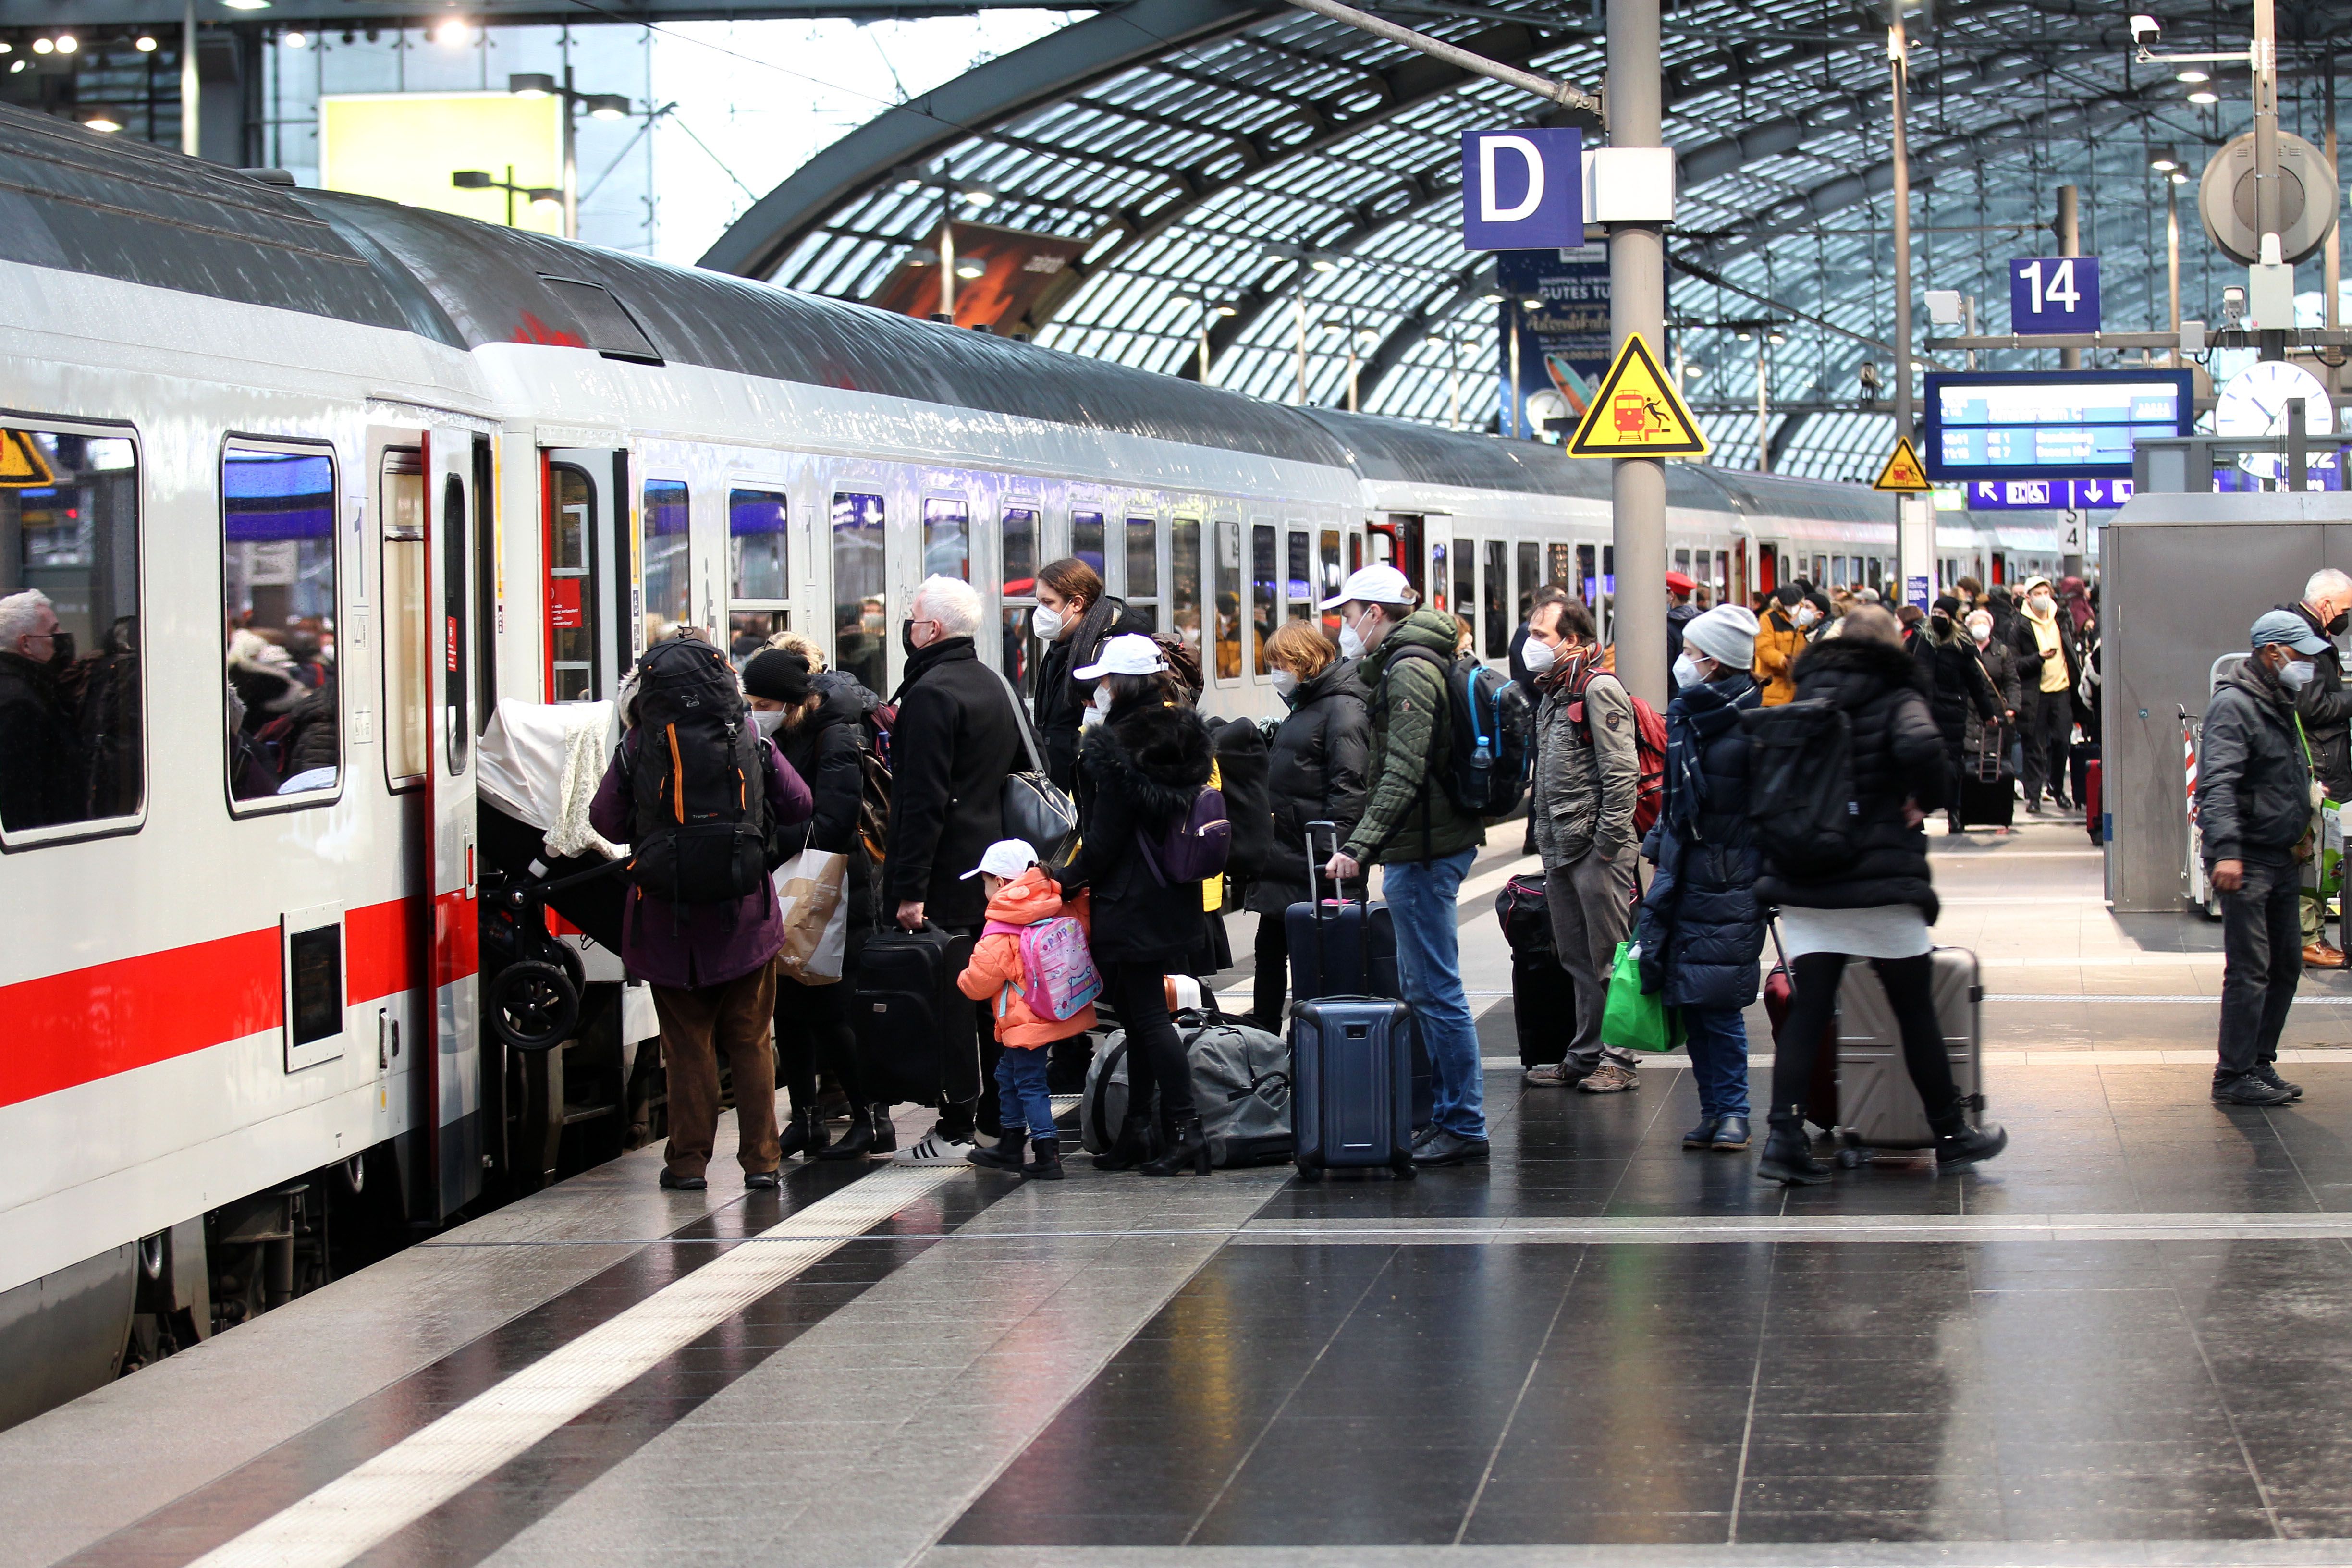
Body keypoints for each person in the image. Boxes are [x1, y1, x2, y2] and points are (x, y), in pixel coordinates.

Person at [1752, 605, 2007, 1184]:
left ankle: (1783, 1139)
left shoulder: (1806, 690)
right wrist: (1925, 797)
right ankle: (1952, 1134)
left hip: (1811, 881)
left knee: (1810, 1012)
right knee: (1914, 1010)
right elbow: (1926, 754)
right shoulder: (1896, 693)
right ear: (1893, 644)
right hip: (1878, 884)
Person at [588, 636, 815, 1191]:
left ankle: (689, 1163)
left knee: (687, 1047)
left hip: (668, 921)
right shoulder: (748, 734)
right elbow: (800, 805)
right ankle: (762, 1160)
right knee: (751, 1039)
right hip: (745, 916)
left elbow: (606, 823)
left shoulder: (640, 744)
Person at [1316, 565, 1491, 1166]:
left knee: (1436, 989)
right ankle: (1453, 1116)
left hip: (1426, 848)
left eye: (1349, 613)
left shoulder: (1409, 666)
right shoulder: (1408, 657)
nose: (1344, 625)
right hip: (1425, 843)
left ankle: (1463, 1123)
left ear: (1375, 612)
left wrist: (1358, 846)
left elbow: (1403, 771)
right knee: (1429, 985)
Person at [1050, 634, 1219, 1176]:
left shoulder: (1116, 747)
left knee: (1146, 1015)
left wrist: (1062, 879)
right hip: (1171, 891)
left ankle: (1186, 1128)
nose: (1097, 691)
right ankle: (1140, 1128)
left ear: (1120, 684)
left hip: (1130, 897)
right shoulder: (1181, 732)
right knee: (1138, 1012)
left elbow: (1104, 840)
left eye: (1102, 681)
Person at [882, 575, 1025, 1164]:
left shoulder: (932, 694)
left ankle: (961, 1120)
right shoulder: (993, 684)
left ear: (931, 630)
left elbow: (922, 802)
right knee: (991, 1003)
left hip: (948, 877)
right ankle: (999, 1118)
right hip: (992, 871)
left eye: (912, 621)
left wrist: (910, 889)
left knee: (955, 1006)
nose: (908, 631)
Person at [742, 646, 895, 1161]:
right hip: (789, 882)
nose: (756, 709)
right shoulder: (775, 736)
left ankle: (871, 1117)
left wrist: (768, 843)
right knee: (788, 1006)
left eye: (765, 701)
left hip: (834, 888)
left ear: (793, 703)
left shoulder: (836, 735)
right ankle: (805, 1117)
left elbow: (834, 821)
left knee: (833, 1009)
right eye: (751, 700)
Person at [1636, 604, 1764, 1152]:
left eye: (1689, 653)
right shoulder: (1688, 715)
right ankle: (1713, 1110)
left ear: (1713, 663)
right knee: (1690, 996)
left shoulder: (1751, 729)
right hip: (1683, 876)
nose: (1681, 662)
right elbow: (1675, 801)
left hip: (1731, 882)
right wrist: (1659, 848)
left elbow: (1765, 814)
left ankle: (1734, 1111)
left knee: (1719, 1002)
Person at [2200, 610, 2330, 1106]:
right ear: (2271, 652)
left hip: (2281, 856)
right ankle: (2232, 1075)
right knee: (2251, 968)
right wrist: (2227, 852)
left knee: (2286, 965)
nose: (2307, 667)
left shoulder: (2280, 700)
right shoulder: (2235, 706)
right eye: (2299, 656)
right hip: (2248, 859)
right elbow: (2219, 784)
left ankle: (2259, 1061)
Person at [1521, 596, 1643, 1095]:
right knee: (1574, 957)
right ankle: (1584, 1055)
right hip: (1560, 847)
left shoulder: (1600, 689)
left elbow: (1622, 773)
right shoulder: (1554, 692)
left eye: (1541, 635)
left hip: (1595, 849)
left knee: (1609, 958)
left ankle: (1620, 1060)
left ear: (1572, 640)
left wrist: (1609, 844)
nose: (1531, 645)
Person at [1244, 620, 1369, 1034]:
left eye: (1281, 663)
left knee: (1310, 956)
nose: (1276, 672)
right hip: (1288, 852)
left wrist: (1338, 852)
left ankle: (1311, 1036)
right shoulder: (1310, 706)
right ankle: (1264, 1027)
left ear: (1305, 661)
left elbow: (1348, 787)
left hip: (1315, 859)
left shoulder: (1343, 708)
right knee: (1270, 946)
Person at [959, 839, 1098, 1181]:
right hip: (1060, 1011)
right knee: (1007, 1075)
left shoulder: (1001, 929)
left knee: (1030, 1083)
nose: (985, 889)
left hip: (1026, 1024)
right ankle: (1010, 1142)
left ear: (1003, 884)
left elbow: (977, 984)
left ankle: (1046, 1152)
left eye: (986, 881)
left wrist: (959, 975)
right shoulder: (1056, 905)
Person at [1030, 557, 1149, 791]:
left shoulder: (1109, 654)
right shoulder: (1063, 646)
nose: (1040, 612)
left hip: (1088, 789)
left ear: (1076, 603)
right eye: (1039, 602)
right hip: (1061, 784)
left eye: (1048, 603)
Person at [2285, 569, 2352, 966]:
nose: (2347, 616)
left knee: (2320, 855)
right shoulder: (2305, 643)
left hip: (2322, 759)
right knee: (2312, 854)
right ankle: (2309, 940)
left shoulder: (2313, 638)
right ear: (2325, 605)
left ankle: (2313, 937)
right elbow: (2310, 707)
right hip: (2316, 763)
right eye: (2345, 608)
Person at [0, 589, 85, 831]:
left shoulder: (33, 690)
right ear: (26, 644)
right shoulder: (20, 704)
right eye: (52, 631)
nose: (62, 637)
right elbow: (20, 803)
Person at [1917, 595, 2001, 836]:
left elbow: (1976, 682)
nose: (1937, 619)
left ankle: (1954, 812)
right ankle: (1920, 813)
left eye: (1943, 615)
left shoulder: (1962, 646)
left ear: (1953, 619)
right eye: (1935, 613)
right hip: (1924, 710)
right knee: (1922, 762)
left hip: (1952, 711)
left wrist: (1988, 713)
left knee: (1953, 764)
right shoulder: (1921, 639)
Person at [2014, 577, 2080, 813]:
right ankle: (2033, 795)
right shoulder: (2019, 626)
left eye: (2047, 592)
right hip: (2035, 694)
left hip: (2061, 691)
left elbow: (2071, 650)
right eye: (2038, 593)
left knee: (2063, 741)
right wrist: (2039, 657)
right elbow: (2015, 663)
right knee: (2034, 745)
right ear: (2028, 597)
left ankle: (2057, 787)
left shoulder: (2060, 619)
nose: (2044, 597)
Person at [1754, 584, 1810, 707]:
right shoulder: (1768, 618)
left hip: (1801, 688)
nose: (1792, 608)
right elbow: (1764, 649)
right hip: (1775, 690)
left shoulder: (1806, 618)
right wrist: (1784, 661)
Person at [1664, 571, 1699, 697]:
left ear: (1672, 595)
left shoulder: (1668, 625)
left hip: (1674, 693)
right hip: (1697, 689)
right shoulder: (1701, 620)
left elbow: (1665, 667)